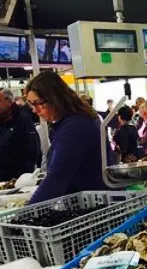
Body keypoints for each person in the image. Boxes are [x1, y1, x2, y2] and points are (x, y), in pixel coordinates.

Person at [25, 71, 107, 204]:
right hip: (87, 200)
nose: (34, 110)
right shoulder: (70, 122)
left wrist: (24, 214)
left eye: (38, 103)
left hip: (91, 204)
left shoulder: (75, 126)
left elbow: (57, 177)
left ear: (55, 99)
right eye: (30, 104)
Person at [0, 88, 41, 181]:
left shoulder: (23, 119)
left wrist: (23, 175)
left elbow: (32, 148)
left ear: (9, 101)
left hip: (18, 178)